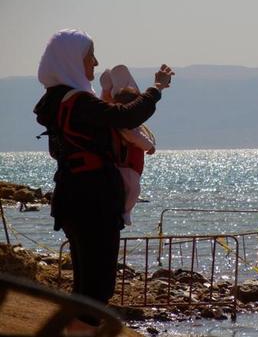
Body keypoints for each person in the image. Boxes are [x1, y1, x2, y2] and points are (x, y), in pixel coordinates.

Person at [33, 29, 174, 334]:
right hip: (93, 201)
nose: (95, 63)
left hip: (72, 198)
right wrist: (156, 89)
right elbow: (126, 116)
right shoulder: (78, 101)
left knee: (86, 284)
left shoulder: (55, 101)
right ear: (70, 59)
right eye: (89, 57)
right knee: (98, 289)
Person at [99, 65, 156, 225]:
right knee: (133, 190)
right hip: (128, 167)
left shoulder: (112, 119)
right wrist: (149, 147)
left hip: (120, 166)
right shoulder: (128, 125)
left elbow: (105, 104)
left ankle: (123, 211)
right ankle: (126, 213)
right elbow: (137, 138)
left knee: (126, 189)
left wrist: (106, 92)